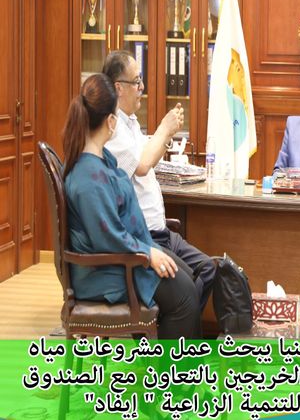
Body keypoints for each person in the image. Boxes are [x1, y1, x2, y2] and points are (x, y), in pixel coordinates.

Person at [62, 74, 201, 339]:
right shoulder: (88, 177)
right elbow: (107, 237)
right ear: (110, 121)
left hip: (124, 257)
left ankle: (177, 362)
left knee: (190, 278)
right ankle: (172, 366)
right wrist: (147, 252)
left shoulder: (100, 160)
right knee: (184, 297)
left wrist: (148, 249)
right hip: (107, 271)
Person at [102, 50, 215, 309]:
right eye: (136, 81)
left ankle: (178, 323)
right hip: (144, 237)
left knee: (209, 268)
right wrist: (164, 128)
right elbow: (142, 165)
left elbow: (148, 155)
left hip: (160, 230)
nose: (142, 87)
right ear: (118, 87)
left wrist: (167, 134)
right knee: (189, 286)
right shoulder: (112, 127)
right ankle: (177, 324)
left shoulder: (130, 122)